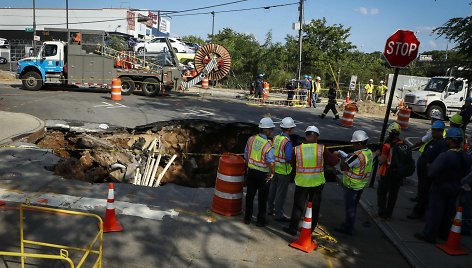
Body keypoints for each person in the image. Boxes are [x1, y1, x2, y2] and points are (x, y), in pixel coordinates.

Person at [415, 127, 471, 243]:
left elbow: (432, 172)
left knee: (435, 211)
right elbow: (466, 171)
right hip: (455, 187)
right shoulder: (464, 156)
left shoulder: (445, 156)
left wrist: (430, 167)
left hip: (441, 186)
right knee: (449, 212)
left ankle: (429, 234)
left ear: (450, 140)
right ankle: (443, 233)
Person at [283, 126, 339, 236]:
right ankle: (310, 231)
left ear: (306, 136)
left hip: (302, 182)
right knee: (315, 207)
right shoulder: (321, 149)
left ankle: (293, 229)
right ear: (317, 137)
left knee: (298, 206)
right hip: (317, 183)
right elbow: (333, 162)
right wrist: (336, 156)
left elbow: (292, 164)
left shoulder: (297, 149)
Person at [334, 130, 374, 235]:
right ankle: (348, 224)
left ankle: (348, 228)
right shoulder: (368, 152)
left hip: (352, 185)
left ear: (360, 143)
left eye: (354, 143)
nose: (353, 144)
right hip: (361, 184)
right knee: (353, 206)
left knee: (350, 208)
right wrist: (349, 155)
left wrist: (341, 157)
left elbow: (343, 167)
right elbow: (357, 156)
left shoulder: (356, 157)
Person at [407, 120, 448, 219]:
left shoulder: (442, 144)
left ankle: (419, 212)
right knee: (422, 191)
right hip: (423, 173)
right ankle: (421, 211)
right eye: (432, 130)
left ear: (440, 131)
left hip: (428, 175)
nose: (432, 132)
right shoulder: (433, 141)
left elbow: (440, 160)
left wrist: (431, 167)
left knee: (424, 193)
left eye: (434, 130)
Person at [377, 122, 414, 219]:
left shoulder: (387, 146)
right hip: (398, 175)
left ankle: (382, 212)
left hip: (388, 173)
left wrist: (378, 155)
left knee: (382, 192)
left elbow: (382, 160)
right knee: (393, 195)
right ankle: (389, 214)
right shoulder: (404, 145)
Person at [244, 117, 275, 227]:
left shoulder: (251, 139)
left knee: (250, 195)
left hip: (251, 171)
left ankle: (247, 218)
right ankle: (260, 221)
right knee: (262, 198)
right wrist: (272, 173)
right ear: (266, 130)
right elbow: (271, 162)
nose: (271, 131)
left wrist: (250, 165)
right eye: (271, 129)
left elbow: (246, 155)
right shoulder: (268, 145)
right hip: (263, 174)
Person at [268, 117, 295, 221]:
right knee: (280, 193)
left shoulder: (275, 138)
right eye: (292, 128)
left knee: (272, 190)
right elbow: (288, 158)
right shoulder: (287, 142)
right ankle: (278, 214)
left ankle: (270, 209)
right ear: (289, 129)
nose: (293, 130)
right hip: (284, 171)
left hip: (274, 168)